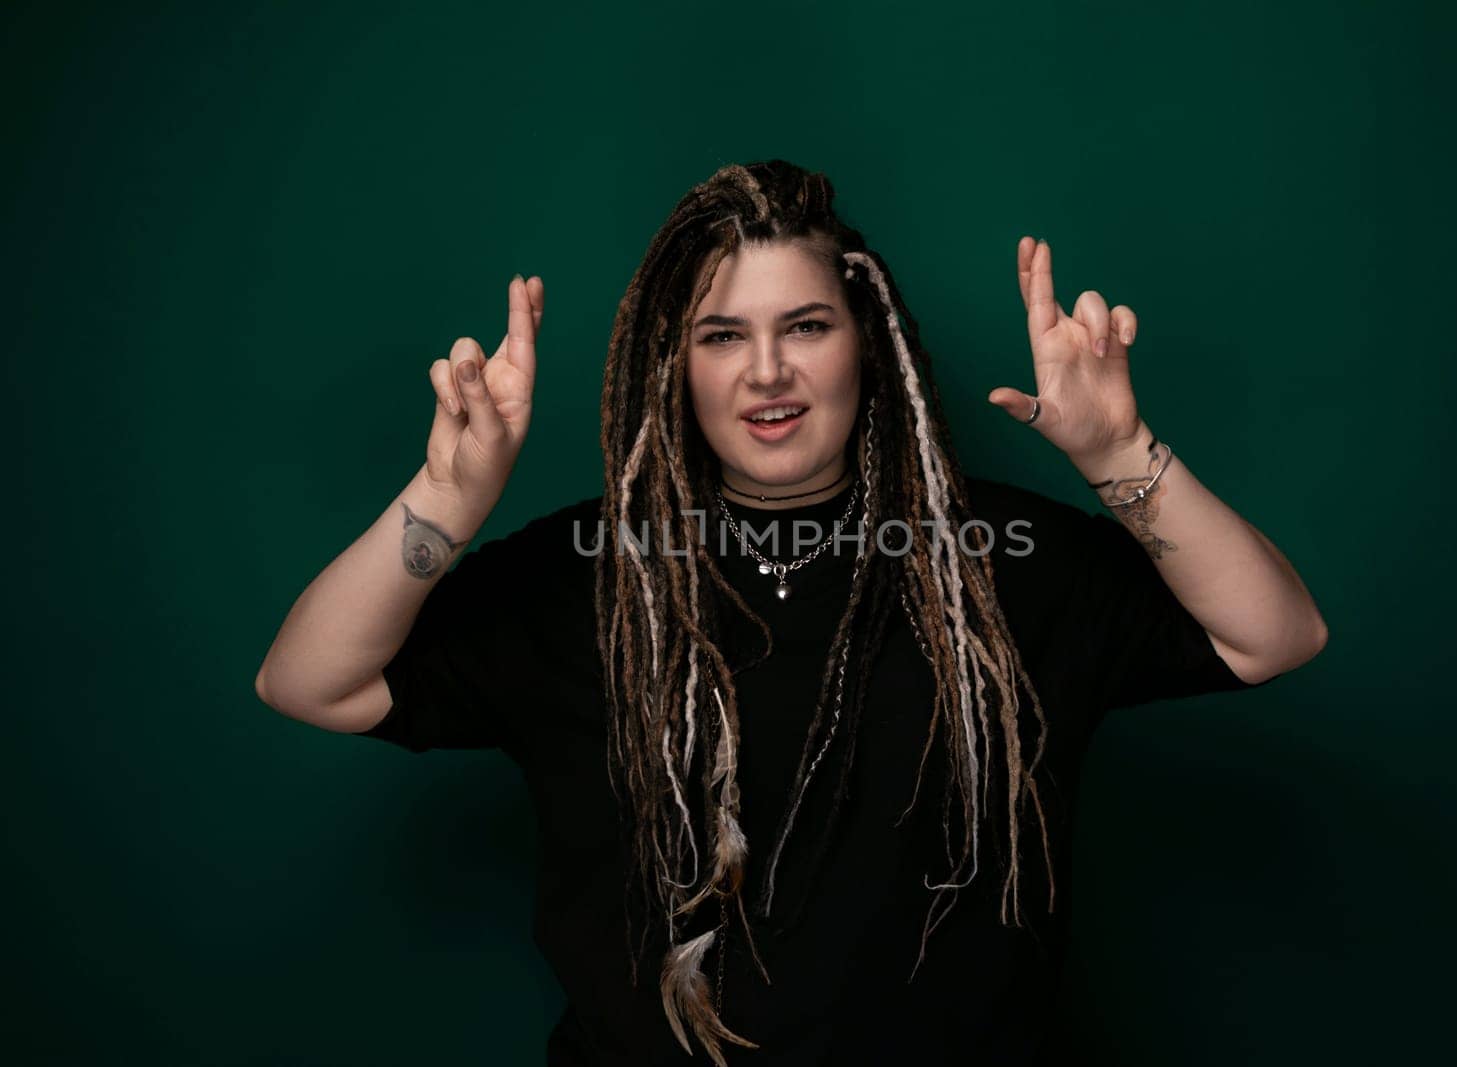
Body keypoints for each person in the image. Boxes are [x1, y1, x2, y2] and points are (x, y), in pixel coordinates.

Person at [254, 160, 1328, 1066]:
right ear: (674, 363)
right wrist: (448, 497)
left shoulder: (1010, 559)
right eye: (722, 335)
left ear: (866, 340)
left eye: (805, 325)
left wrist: (1116, 453)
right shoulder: (584, 573)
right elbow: (310, 680)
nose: (767, 371)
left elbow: (1273, 633)